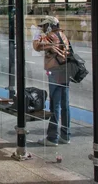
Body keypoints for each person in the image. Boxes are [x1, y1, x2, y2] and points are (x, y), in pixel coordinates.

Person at [32, 15, 71, 146]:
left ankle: (52, 137)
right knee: (65, 104)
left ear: (49, 25)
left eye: (44, 26)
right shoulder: (63, 36)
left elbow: (36, 46)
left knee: (55, 104)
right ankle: (66, 135)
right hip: (65, 71)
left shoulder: (50, 37)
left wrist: (36, 33)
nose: (43, 29)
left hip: (55, 71)